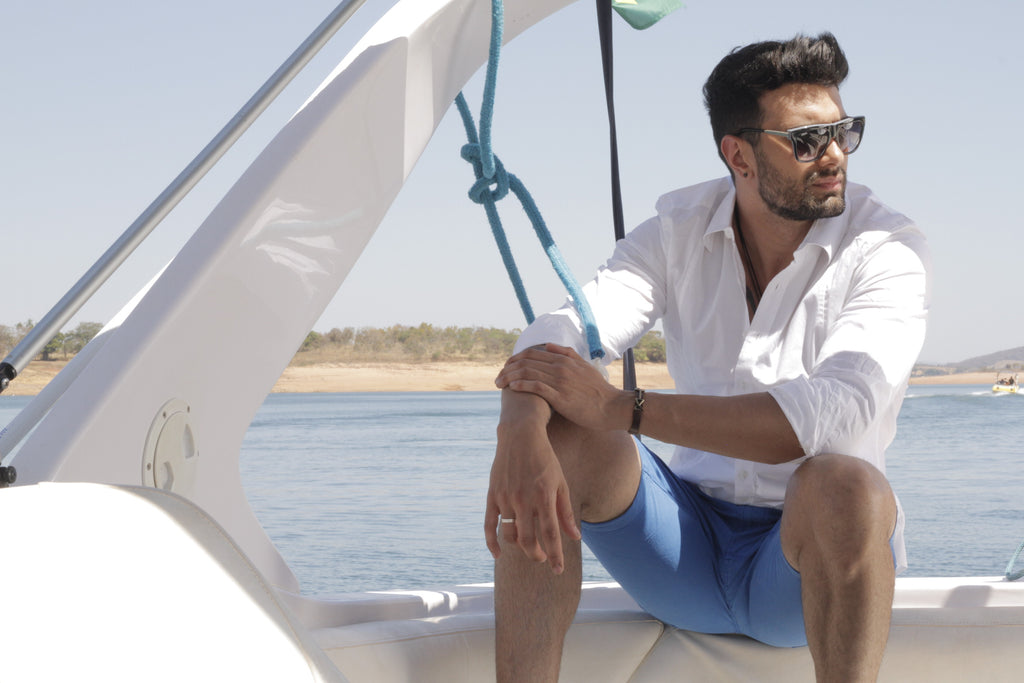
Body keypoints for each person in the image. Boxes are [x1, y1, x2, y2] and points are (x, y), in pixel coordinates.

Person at [484, 33, 930, 683]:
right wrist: (518, 425)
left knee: (848, 485)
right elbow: (569, 324)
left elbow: (832, 418)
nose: (834, 154)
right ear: (738, 154)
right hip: (682, 552)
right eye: (808, 140)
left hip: (800, 561)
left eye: (845, 131)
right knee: (562, 435)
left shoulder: (888, 247)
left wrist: (620, 407)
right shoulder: (679, 229)